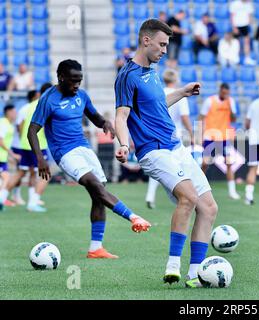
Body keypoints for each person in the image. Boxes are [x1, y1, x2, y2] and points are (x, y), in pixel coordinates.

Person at [114, 19, 218, 288]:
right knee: (189, 197)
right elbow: (121, 116)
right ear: (145, 40)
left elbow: (158, 104)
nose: (164, 50)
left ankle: (195, 275)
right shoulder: (127, 76)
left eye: (166, 45)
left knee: (208, 207)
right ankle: (173, 265)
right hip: (153, 151)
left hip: (175, 147)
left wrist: (182, 93)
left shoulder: (153, 71)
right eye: (161, 44)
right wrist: (124, 144)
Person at [28, 59, 151, 259]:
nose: (77, 85)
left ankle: (96, 248)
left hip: (84, 149)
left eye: (80, 80)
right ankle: (133, 217)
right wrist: (40, 159)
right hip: (64, 152)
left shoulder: (81, 95)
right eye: (73, 81)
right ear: (61, 78)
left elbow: (94, 116)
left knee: (98, 194)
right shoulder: (48, 99)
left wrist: (105, 124)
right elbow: (32, 131)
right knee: (95, 185)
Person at [146, 68, 194, 209]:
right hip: (175, 136)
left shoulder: (159, 93)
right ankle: (182, 198)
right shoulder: (180, 93)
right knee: (182, 167)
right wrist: (192, 133)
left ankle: (150, 195)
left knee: (160, 166)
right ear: (175, 79)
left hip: (158, 134)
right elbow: (185, 118)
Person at [7, 86, 53, 212]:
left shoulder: (27, 107)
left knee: (25, 172)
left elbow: (20, 125)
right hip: (38, 145)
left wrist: (23, 139)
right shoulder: (46, 105)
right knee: (46, 174)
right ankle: (33, 202)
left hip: (25, 144)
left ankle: (2, 197)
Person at [199, 83, 240, 200]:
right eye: (223, 92)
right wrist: (199, 134)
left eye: (227, 93)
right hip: (210, 136)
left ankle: (232, 191)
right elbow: (201, 117)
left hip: (224, 137)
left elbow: (233, 119)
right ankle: (199, 187)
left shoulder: (230, 101)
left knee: (229, 163)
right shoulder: (209, 101)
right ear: (220, 91)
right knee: (205, 163)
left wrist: (230, 106)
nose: (225, 94)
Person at [0, 105, 21, 211]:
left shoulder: (9, 124)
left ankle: (2, 200)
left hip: (2, 158)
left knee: (5, 178)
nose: (15, 113)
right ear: (8, 112)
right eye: (13, 111)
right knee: (6, 178)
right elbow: (0, 140)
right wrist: (13, 154)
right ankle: (1, 200)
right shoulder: (3, 123)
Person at [229, 0, 256, 66]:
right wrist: (234, 27)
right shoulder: (234, 3)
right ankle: (235, 59)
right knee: (235, 43)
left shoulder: (249, 4)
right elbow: (231, 16)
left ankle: (247, 58)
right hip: (237, 25)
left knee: (247, 42)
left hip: (245, 25)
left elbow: (250, 16)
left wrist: (250, 25)